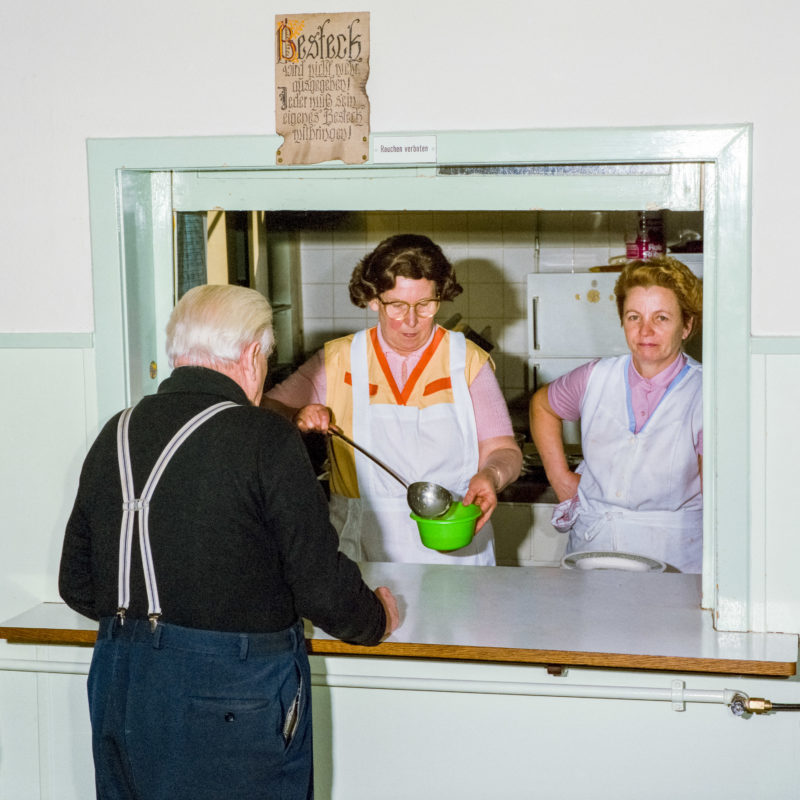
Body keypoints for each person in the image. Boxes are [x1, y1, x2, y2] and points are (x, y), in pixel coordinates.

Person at [59, 284, 400, 800]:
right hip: (235, 692)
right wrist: (375, 619)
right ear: (251, 354)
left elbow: (78, 585)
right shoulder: (264, 436)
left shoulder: (117, 431)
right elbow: (318, 584)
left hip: (119, 681)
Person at [263, 233, 522, 565]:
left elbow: (503, 450)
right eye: (397, 305)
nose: (411, 321)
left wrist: (492, 476)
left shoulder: (467, 360)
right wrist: (298, 415)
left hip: (456, 541)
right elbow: (267, 410)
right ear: (373, 299)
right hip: (363, 548)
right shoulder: (340, 359)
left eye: (425, 305)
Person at [529, 256, 703, 573]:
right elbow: (542, 405)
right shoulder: (596, 376)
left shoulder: (706, 393)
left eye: (661, 318)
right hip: (593, 551)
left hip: (674, 560)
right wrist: (560, 478)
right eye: (634, 316)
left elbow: (720, 498)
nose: (645, 330)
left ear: (687, 325)